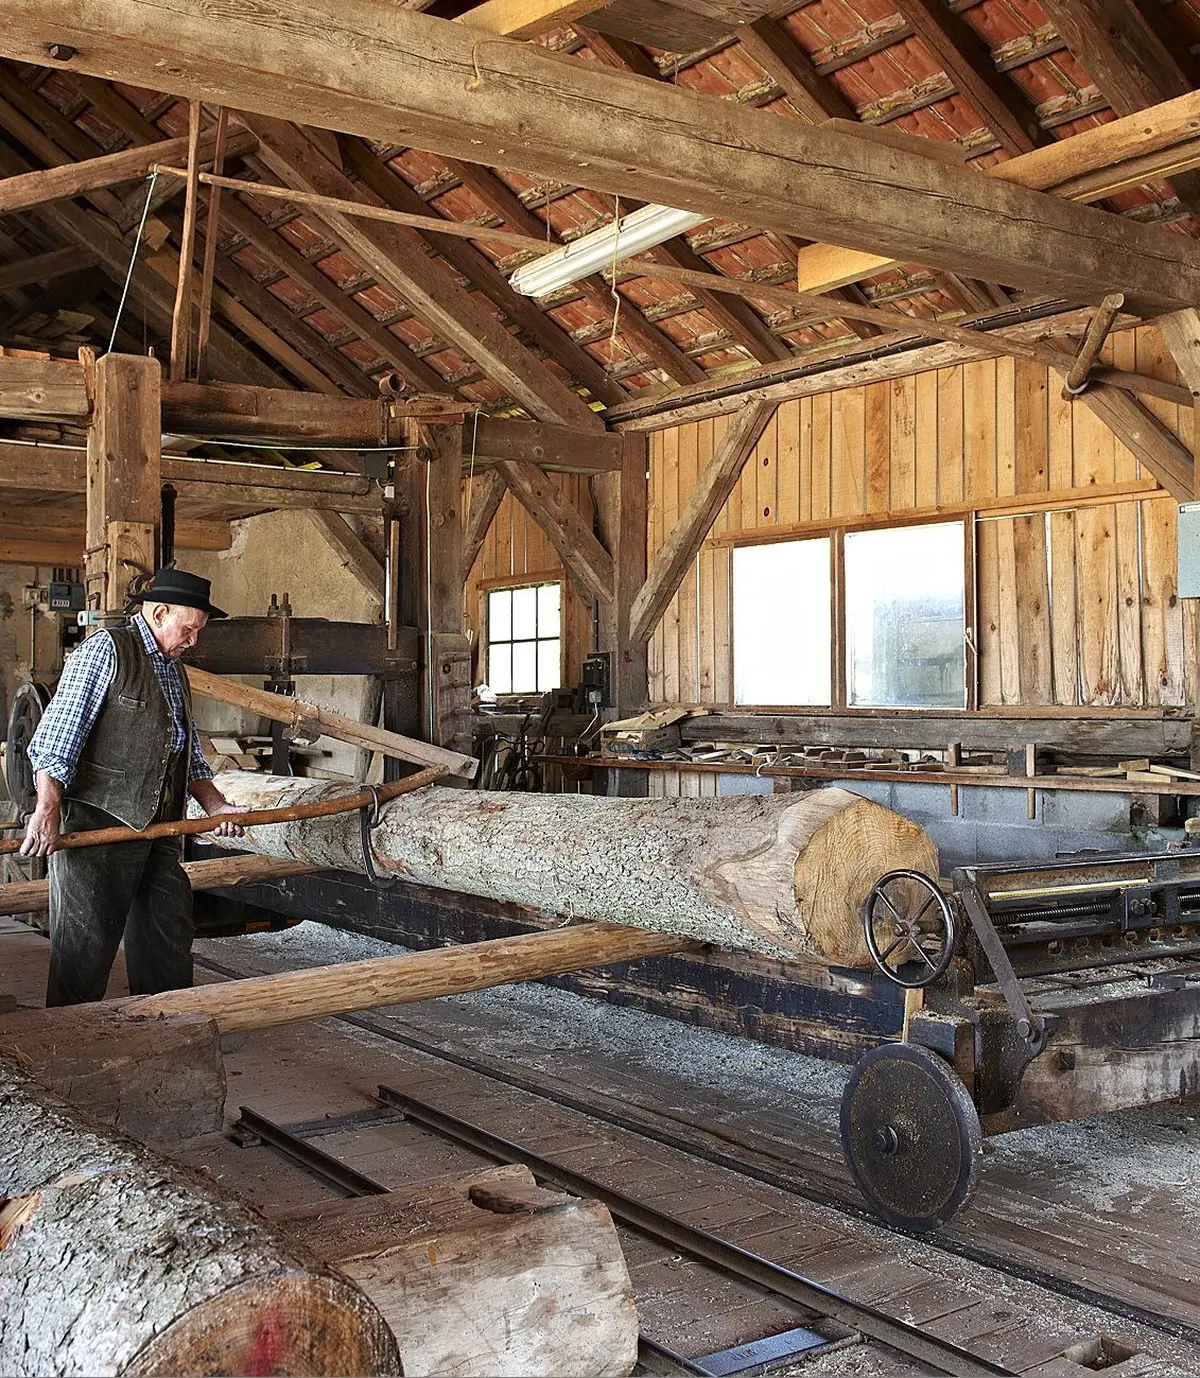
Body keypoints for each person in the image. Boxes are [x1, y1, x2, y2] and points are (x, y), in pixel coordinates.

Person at [20, 568, 244, 1006]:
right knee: (84, 953)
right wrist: (47, 809)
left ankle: (164, 1034)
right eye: (190, 629)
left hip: (160, 832)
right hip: (97, 831)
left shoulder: (174, 669)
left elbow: (185, 750)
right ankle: (67, 1049)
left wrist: (216, 807)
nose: (193, 640)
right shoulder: (107, 650)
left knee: (168, 940)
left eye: (198, 631)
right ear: (160, 613)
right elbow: (54, 739)